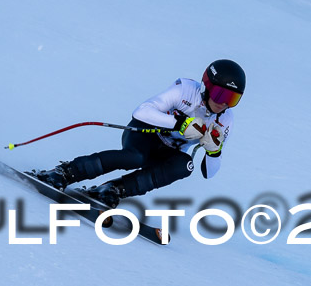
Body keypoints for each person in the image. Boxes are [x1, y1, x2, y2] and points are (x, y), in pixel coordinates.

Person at [31, 59, 246, 208]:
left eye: (232, 99)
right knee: (135, 157)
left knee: (185, 165)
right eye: (220, 93)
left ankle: (114, 190)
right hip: (144, 135)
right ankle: (65, 172)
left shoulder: (225, 120)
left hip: (168, 152)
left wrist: (214, 151)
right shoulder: (185, 90)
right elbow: (142, 111)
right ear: (207, 87)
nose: (223, 103)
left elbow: (209, 173)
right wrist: (178, 123)